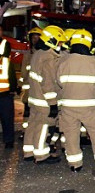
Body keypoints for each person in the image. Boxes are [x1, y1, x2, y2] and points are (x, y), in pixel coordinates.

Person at [57, 29, 95, 171]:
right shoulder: (94, 61)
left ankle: (75, 164)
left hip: (68, 105)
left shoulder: (64, 60)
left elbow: (59, 81)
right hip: (89, 106)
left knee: (71, 134)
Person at [23, 25, 66, 163]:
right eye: (59, 42)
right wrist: (53, 104)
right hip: (44, 102)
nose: (60, 45)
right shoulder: (49, 58)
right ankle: (41, 155)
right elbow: (48, 84)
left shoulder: (38, 54)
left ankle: (29, 152)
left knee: (32, 125)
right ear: (51, 41)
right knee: (42, 128)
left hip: (35, 98)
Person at [20, 27, 42, 133]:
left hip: (39, 90)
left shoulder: (43, 54)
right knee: (27, 113)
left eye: (37, 37)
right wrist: (20, 85)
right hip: (29, 91)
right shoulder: (28, 54)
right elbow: (23, 71)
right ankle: (25, 132)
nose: (35, 40)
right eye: (33, 37)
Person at [0, 24, 19, 148]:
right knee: (7, 117)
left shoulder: (5, 44)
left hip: (5, 91)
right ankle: (8, 140)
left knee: (7, 118)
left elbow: (9, 69)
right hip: (5, 90)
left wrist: (13, 87)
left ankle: (9, 140)